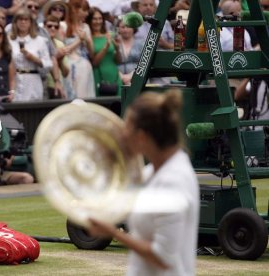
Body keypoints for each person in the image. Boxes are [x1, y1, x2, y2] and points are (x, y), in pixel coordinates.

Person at [88, 90, 200, 276]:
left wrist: (114, 234)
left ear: (141, 137)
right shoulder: (151, 173)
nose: (122, 134)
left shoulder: (174, 181)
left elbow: (164, 258)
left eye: (127, 127)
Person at [8, 8, 52, 101]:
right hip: (15, 81)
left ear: (31, 23)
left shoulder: (39, 41)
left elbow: (48, 64)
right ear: (15, 22)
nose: (23, 22)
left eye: (26, 19)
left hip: (33, 81)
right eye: (20, 19)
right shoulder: (9, 41)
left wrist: (34, 59)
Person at [87, 7, 121, 96]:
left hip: (114, 76)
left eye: (100, 18)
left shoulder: (109, 35)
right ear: (89, 20)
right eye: (94, 19)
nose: (98, 22)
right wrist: (105, 48)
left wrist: (117, 49)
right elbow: (94, 63)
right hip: (98, 77)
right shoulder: (89, 39)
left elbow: (118, 61)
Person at [116, 18, 143, 86]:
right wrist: (121, 76)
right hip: (117, 79)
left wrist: (131, 76)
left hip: (137, 78)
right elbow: (110, 62)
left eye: (128, 27)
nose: (125, 30)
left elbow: (144, 62)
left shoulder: (141, 43)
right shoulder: (114, 42)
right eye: (123, 27)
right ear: (118, 28)